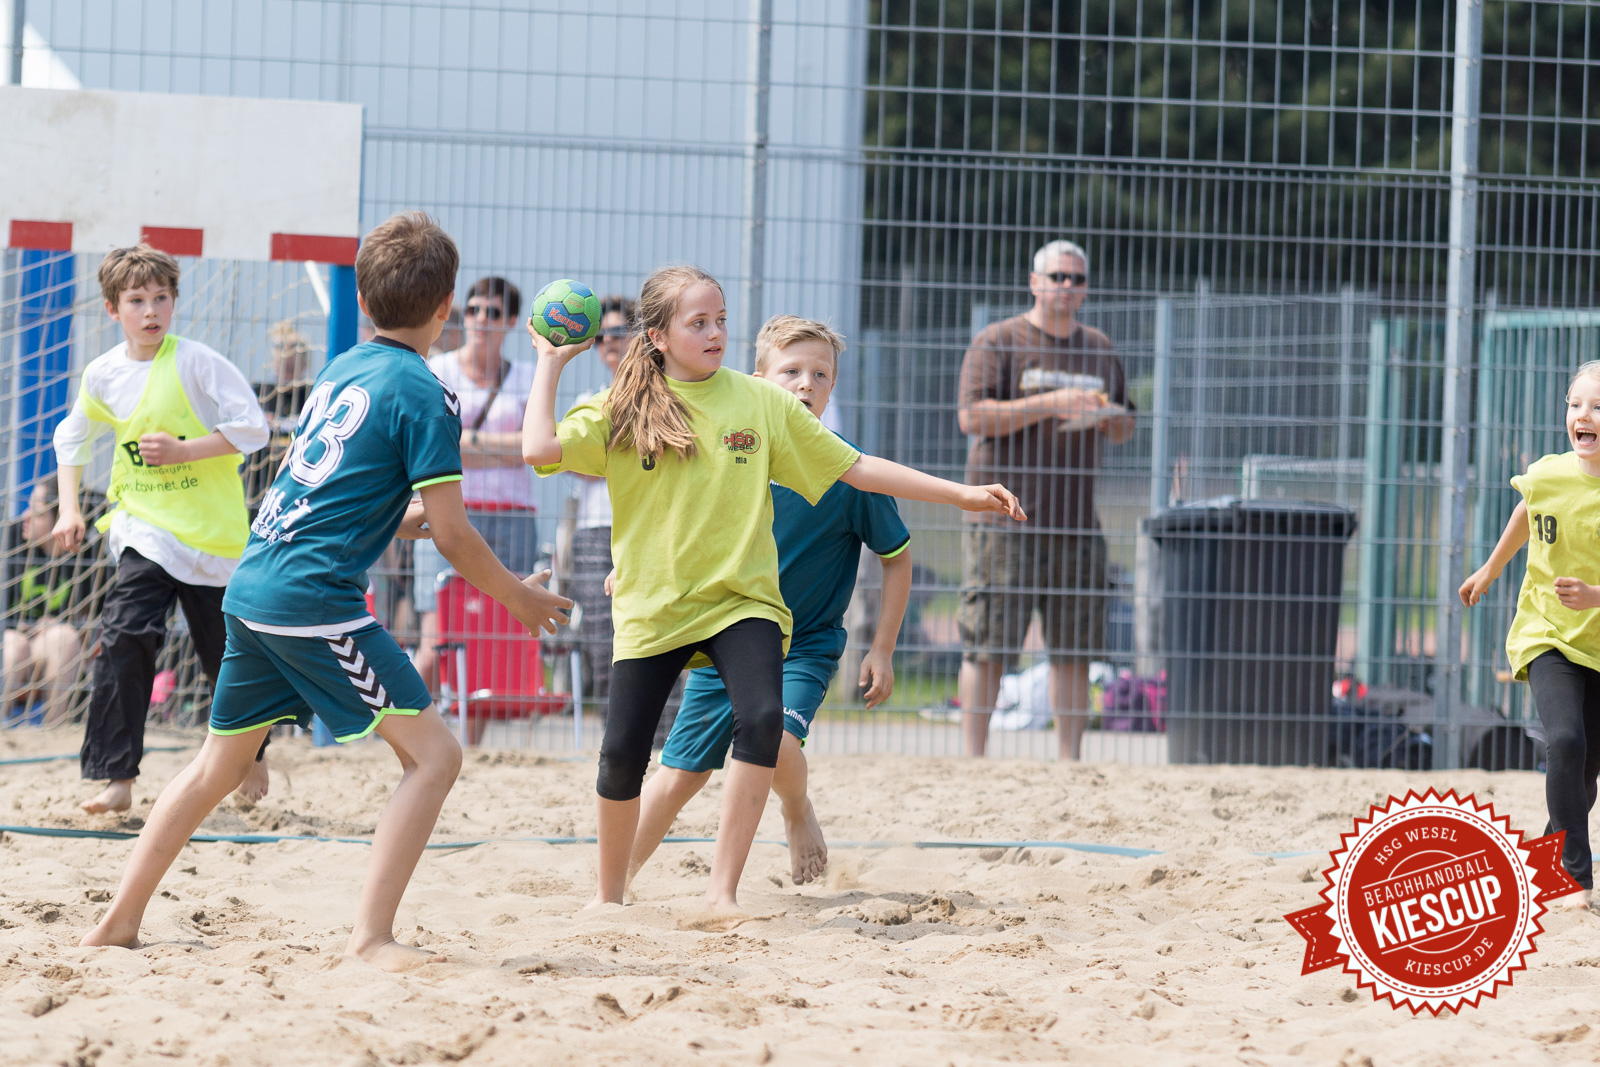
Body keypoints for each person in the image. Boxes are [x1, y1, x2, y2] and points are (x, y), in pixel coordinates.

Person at [79, 212, 572, 970]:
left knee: (217, 767)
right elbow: (453, 533)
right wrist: (521, 597)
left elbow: (361, 504)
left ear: (365, 305)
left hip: (255, 584)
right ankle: (371, 938)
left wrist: (409, 529)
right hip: (315, 603)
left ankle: (118, 919)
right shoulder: (425, 392)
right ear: (446, 308)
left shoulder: (344, 367)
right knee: (435, 757)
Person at [523, 264, 1023, 920]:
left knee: (762, 721)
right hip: (657, 609)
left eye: (721, 319)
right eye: (698, 322)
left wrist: (959, 492)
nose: (716, 332)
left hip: (744, 603)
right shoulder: (624, 406)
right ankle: (608, 895)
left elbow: (858, 466)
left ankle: (721, 893)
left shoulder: (760, 404)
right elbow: (537, 449)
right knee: (625, 758)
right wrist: (549, 363)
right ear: (658, 337)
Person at [628, 315, 913, 888]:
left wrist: (882, 649)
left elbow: (897, 557)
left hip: (804, 644)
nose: (806, 384)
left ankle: (794, 808)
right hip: (725, 632)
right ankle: (615, 882)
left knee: (774, 739)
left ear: (833, 388)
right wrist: (630, 570)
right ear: (757, 379)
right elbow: (670, 522)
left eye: (820, 374)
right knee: (679, 776)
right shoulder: (731, 450)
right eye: (791, 372)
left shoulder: (850, 472)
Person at [53, 244, 273, 813]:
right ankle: (116, 778)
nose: (150, 310)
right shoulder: (102, 374)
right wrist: (69, 509)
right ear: (112, 309)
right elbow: (71, 439)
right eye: (136, 300)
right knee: (125, 635)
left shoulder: (197, 362)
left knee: (225, 654)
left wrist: (183, 451)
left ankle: (253, 753)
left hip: (213, 538)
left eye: (160, 298)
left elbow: (254, 430)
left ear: (173, 302)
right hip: (144, 531)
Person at [956, 238, 1135, 760]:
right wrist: (1052, 402)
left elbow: (1124, 427)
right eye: (1056, 277)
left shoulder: (1099, 348)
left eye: (1076, 279)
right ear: (1034, 282)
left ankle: (1070, 762)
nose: (1066, 287)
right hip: (1002, 519)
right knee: (988, 643)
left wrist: (1107, 416)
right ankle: (973, 759)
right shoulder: (999, 340)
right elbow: (972, 417)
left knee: (1074, 648)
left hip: (1075, 521)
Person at [1460, 360, 1600, 910]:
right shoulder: (1547, 473)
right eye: (1575, 406)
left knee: (1583, 776)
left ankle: (1541, 862)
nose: (1583, 417)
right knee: (1564, 741)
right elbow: (1528, 508)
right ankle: (1575, 876)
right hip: (1547, 634)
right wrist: (1490, 569)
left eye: (1598, 408)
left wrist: (1595, 597)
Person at [412, 276, 539, 692]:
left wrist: (467, 442)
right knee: (436, 638)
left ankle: (474, 742)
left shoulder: (526, 375)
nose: (482, 319)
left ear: (512, 321)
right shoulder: (437, 369)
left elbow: (535, 447)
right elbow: (431, 443)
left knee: (496, 642)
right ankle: (399, 730)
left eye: (494, 312)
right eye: (474, 309)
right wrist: (503, 448)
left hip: (512, 517)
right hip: (449, 512)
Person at [567, 295, 634, 715]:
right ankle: (616, 733)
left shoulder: (666, 394)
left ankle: (666, 739)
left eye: (617, 332)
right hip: (596, 530)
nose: (608, 341)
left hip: (647, 526)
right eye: (600, 335)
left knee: (657, 638)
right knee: (601, 639)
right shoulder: (589, 398)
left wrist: (604, 453)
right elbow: (574, 465)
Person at [3, 481, 99, 724]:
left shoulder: (88, 559)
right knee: (15, 645)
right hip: (11, 643)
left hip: (51, 651)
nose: (26, 516)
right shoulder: (9, 541)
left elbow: (98, 626)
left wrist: (59, 625)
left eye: (36, 512)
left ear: (59, 520)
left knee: (63, 637)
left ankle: (54, 730)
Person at [244, 320, 316, 507]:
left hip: (299, 491)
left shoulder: (313, 396)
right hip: (259, 489)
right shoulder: (260, 394)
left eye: (291, 369)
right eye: (282, 368)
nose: (286, 374)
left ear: (304, 366)